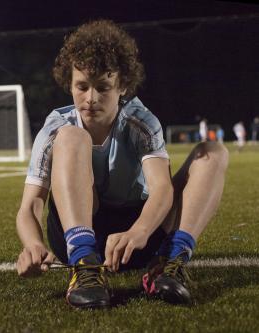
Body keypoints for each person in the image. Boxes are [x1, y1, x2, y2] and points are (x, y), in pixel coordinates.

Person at [16, 20, 229, 309]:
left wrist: (140, 231)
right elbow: (30, 206)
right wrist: (33, 244)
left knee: (213, 152)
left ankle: (169, 262)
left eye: (103, 87)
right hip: (75, 234)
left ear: (123, 86)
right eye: (82, 86)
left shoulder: (141, 122)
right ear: (70, 84)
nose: (90, 98)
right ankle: (85, 265)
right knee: (71, 137)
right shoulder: (57, 126)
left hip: (138, 238)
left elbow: (162, 190)